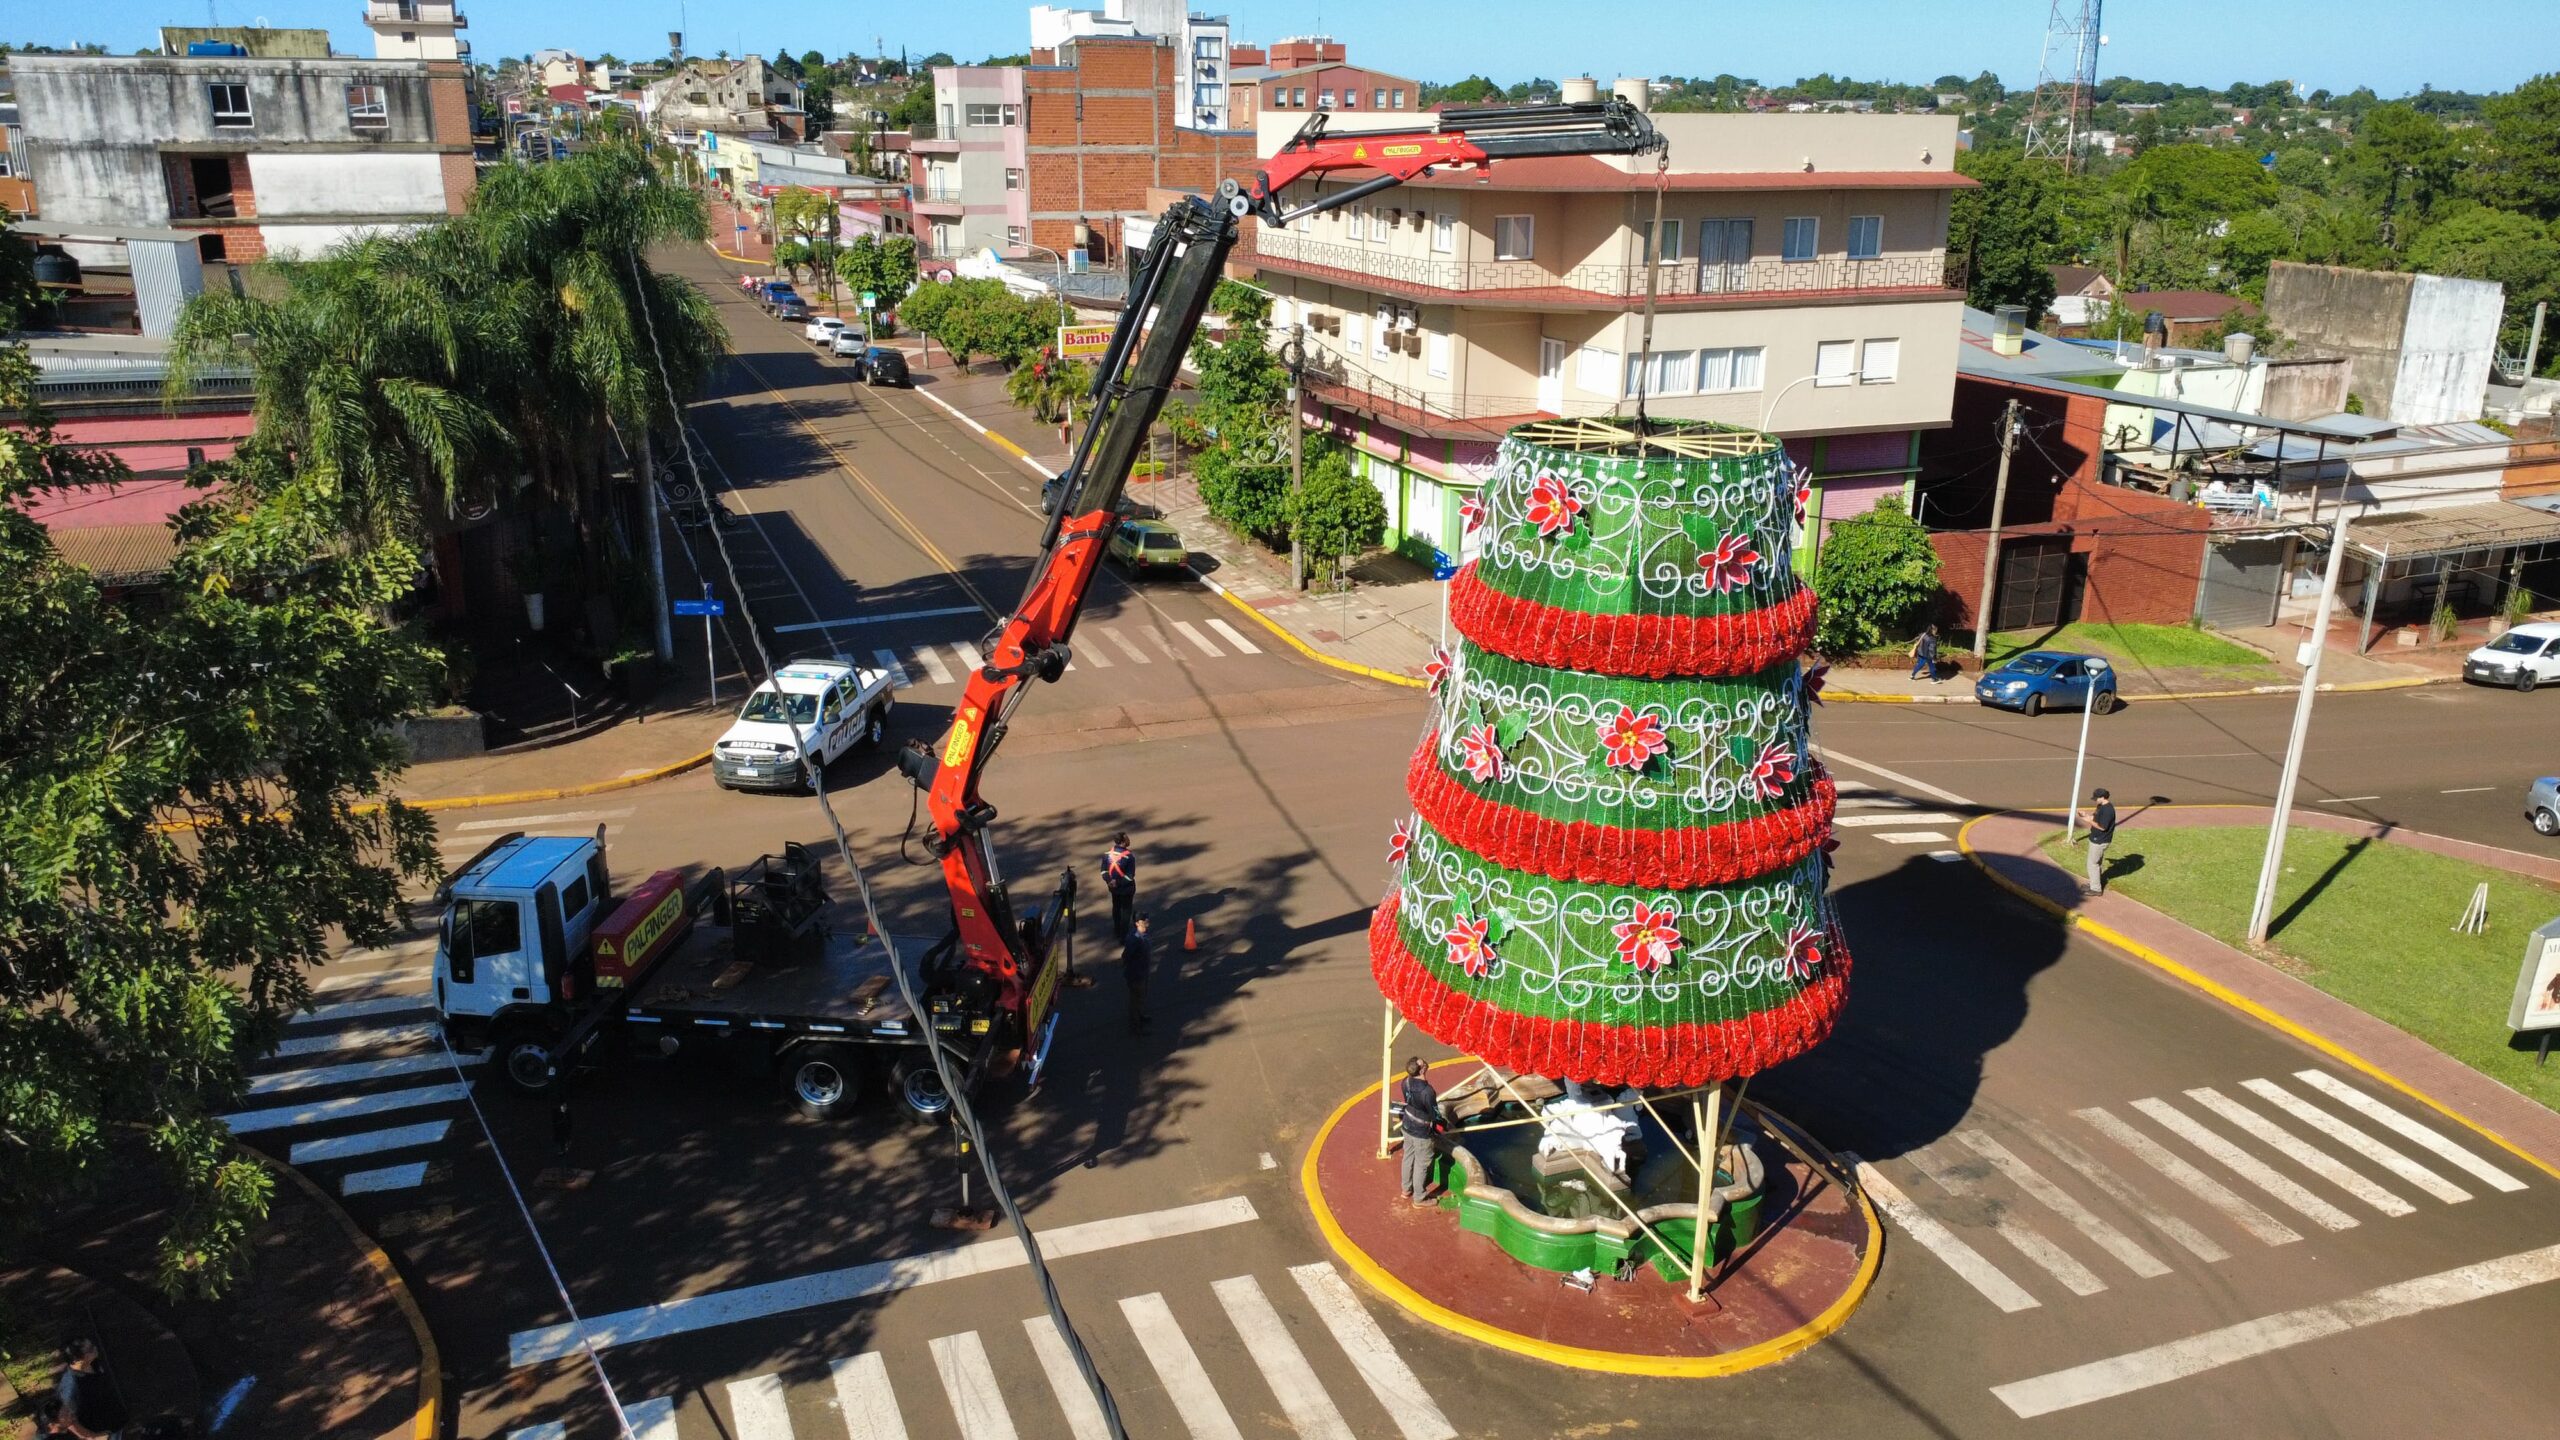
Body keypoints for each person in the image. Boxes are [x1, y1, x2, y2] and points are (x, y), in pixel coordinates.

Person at [52, 1338, 128, 1440]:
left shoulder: (94, 1364)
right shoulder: (70, 1387)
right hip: (104, 1433)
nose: (95, 1349)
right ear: (76, 1360)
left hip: (118, 1424)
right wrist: (94, 1437)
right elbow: (69, 1421)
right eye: (91, 1349)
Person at [1398, 1059, 1444, 1205]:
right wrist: (1441, 1125)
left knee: (1408, 1156)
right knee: (1421, 1163)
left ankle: (1406, 1189)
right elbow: (1435, 1114)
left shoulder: (1405, 1082)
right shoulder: (1427, 1091)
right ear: (1422, 1069)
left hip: (1407, 1124)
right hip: (1421, 1131)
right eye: (1422, 1062)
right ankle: (1419, 1197)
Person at [1101, 832, 1138, 942]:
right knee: (1126, 911)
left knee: (1116, 907)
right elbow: (1130, 876)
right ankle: (1123, 934)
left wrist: (1110, 881)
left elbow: (1103, 871)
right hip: (1126, 889)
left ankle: (1117, 930)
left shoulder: (1107, 854)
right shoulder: (1129, 857)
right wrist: (1119, 882)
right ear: (1122, 841)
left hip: (1113, 888)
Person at [1121, 914, 1154, 1035]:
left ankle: (1139, 1016)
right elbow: (1126, 955)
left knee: (1141, 997)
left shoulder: (1142, 936)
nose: (1146, 923)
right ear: (1136, 923)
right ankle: (1135, 1026)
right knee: (1135, 1000)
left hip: (1142, 972)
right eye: (1143, 922)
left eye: (1147, 921)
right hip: (1135, 974)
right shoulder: (1134, 939)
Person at [2084, 787, 2118, 896]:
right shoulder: (2100, 806)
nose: (2095, 800)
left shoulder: (2108, 810)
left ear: (2103, 797)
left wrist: (2089, 821)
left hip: (2100, 840)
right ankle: (2094, 883)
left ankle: (2096, 889)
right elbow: (2095, 818)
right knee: (2095, 863)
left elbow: (2103, 827)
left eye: (2096, 798)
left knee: (2092, 864)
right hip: (2095, 837)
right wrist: (2086, 816)